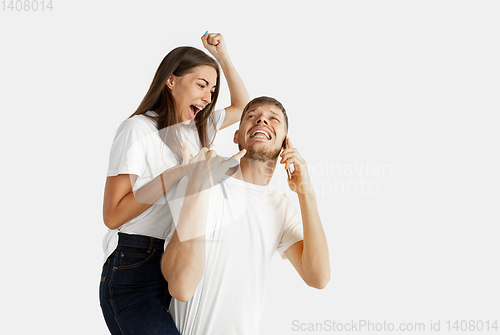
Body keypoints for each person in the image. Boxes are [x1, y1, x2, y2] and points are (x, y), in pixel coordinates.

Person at [99, 32, 249, 335]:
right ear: (171, 81)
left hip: (177, 262)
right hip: (135, 266)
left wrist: (222, 56)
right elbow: (112, 215)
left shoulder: (197, 128)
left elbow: (243, 105)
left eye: (213, 89)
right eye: (201, 85)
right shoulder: (138, 129)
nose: (208, 97)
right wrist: (177, 174)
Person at [162, 96, 331, 335]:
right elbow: (182, 287)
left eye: (274, 118)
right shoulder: (202, 175)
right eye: (252, 116)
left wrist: (306, 192)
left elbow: (318, 277)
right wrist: (196, 190)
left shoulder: (280, 206)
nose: (262, 119)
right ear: (236, 135)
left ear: (285, 143)